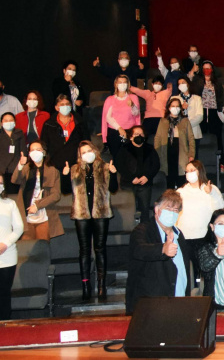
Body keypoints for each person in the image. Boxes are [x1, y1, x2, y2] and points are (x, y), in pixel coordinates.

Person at [125, 190, 192, 314]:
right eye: (168, 208)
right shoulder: (142, 231)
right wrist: (162, 249)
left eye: (175, 210)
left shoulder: (179, 234)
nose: (172, 213)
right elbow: (140, 250)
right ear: (157, 209)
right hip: (151, 307)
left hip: (179, 302)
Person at [68, 141, 119, 299]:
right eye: (83, 152)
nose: (86, 154)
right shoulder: (75, 169)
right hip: (81, 214)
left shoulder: (104, 166)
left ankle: (101, 285)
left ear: (94, 151)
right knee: (84, 250)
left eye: (89, 150)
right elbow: (65, 190)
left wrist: (114, 173)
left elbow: (114, 189)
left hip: (101, 213)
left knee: (100, 249)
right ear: (79, 155)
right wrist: (64, 176)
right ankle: (85, 285)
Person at [10, 141, 62, 241]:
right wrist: (20, 164)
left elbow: (56, 195)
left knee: (42, 246)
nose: (35, 152)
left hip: (44, 215)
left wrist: (38, 205)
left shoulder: (52, 171)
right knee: (27, 247)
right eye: (32, 150)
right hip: (26, 216)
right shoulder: (26, 168)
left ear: (44, 152)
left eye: (38, 150)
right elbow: (14, 180)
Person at [176, 160, 224, 267]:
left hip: (204, 237)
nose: (190, 173)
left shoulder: (211, 189)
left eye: (193, 170)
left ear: (200, 171)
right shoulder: (180, 192)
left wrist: (212, 193)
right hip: (184, 237)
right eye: (187, 171)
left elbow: (220, 209)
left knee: (205, 268)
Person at [41, 95, 88, 194]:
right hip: (55, 165)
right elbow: (44, 145)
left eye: (67, 104)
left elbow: (86, 142)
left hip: (76, 164)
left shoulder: (80, 123)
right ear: (56, 107)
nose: (65, 106)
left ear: (71, 106)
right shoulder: (48, 124)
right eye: (62, 104)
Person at [115, 126, 160, 224]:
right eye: (136, 134)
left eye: (141, 134)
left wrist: (147, 176)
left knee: (144, 211)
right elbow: (119, 165)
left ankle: (144, 232)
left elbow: (156, 165)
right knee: (129, 212)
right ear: (131, 137)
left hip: (145, 184)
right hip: (128, 184)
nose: (139, 136)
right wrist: (131, 178)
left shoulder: (150, 149)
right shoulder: (124, 149)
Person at [155, 97, 196, 190]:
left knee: (181, 180)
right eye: (173, 106)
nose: (175, 108)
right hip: (167, 150)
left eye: (177, 106)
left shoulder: (185, 121)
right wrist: (157, 153)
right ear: (169, 108)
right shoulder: (163, 121)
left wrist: (191, 154)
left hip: (181, 151)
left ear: (180, 108)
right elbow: (157, 138)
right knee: (168, 178)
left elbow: (191, 138)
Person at [101, 74, 142, 161]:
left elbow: (136, 114)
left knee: (131, 158)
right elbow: (107, 117)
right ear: (116, 84)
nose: (122, 84)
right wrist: (119, 128)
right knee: (117, 158)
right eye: (120, 82)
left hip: (130, 131)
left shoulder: (133, 97)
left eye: (124, 82)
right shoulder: (110, 99)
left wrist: (132, 106)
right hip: (115, 131)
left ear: (128, 84)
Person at [0, 176, 23, 319]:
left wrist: (5, 244)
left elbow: (19, 228)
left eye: (1, 182)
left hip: (7, 256)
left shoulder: (10, 204)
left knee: (3, 294)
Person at [197, 60, 224, 158]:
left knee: (218, 137)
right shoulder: (198, 82)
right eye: (205, 68)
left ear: (212, 70)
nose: (207, 70)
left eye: (208, 68)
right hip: (201, 113)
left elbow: (221, 98)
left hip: (215, 112)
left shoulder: (217, 83)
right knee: (201, 138)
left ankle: (221, 162)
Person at [175, 77, 204, 149]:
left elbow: (200, 116)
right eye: (179, 84)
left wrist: (187, 125)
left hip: (193, 132)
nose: (181, 85)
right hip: (178, 133)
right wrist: (181, 108)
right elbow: (172, 115)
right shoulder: (174, 98)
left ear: (188, 84)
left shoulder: (197, 98)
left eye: (183, 83)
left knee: (193, 157)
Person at [0, 113, 26, 187]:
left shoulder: (19, 133)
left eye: (11, 120)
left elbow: (23, 150)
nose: (9, 122)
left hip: (16, 168)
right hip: (2, 169)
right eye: (6, 120)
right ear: (1, 123)